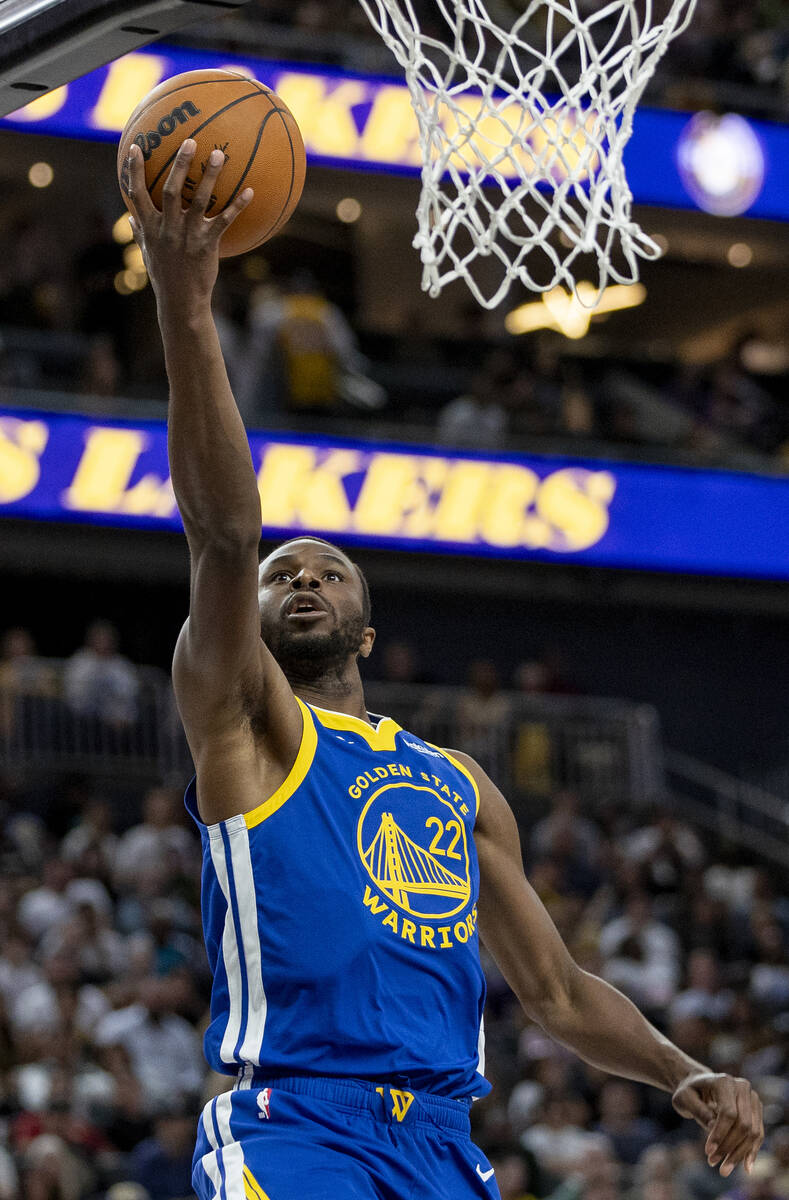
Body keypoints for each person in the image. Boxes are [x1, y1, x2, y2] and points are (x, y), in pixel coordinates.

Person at [125, 137, 764, 1200]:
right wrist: (188, 309)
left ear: (367, 633)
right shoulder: (242, 716)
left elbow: (556, 990)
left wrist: (681, 1070)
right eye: (288, 576)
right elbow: (226, 537)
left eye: (331, 574)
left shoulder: (459, 786)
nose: (304, 582)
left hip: (441, 1146)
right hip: (296, 1127)